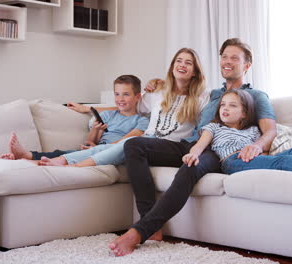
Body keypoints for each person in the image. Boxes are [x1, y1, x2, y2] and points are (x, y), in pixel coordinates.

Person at [109, 38, 277, 256]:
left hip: (217, 153)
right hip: (191, 144)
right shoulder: (212, 94)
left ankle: (139, 232)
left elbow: (270, 131)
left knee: (189, 167)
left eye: (235, 58)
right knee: (134, 145)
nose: (227, 61)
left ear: (247, 65)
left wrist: (257, 146)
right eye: (224, 56)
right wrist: (159, 83)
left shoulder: (256, 96)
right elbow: (180, 89)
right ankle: (152, 222)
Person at [39, 47, 210, 168]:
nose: (182, 65)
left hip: (169, 147)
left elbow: (206, 128)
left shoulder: (202, 97)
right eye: (179, 61)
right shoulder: (158, 92)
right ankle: (63, 160)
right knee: (111, 146)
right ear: (172, 66)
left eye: (188, 63)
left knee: (126, 144)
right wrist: (88, 109)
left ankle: (77, 166)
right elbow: (126, 106)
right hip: (147, 140)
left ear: (195, 71)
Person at [0, 75, 149, 167]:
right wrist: (95, 133)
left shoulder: (141, 121)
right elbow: (92, 140)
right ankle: (26, 157)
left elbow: (126, 141)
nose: (120, 99)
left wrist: (100, 148)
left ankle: (26, 159)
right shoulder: (109, 115)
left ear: (137, 97)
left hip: (114, 153)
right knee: (64, 152)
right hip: (97, 149)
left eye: (126, 94)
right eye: (117, 94)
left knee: (70, 155)